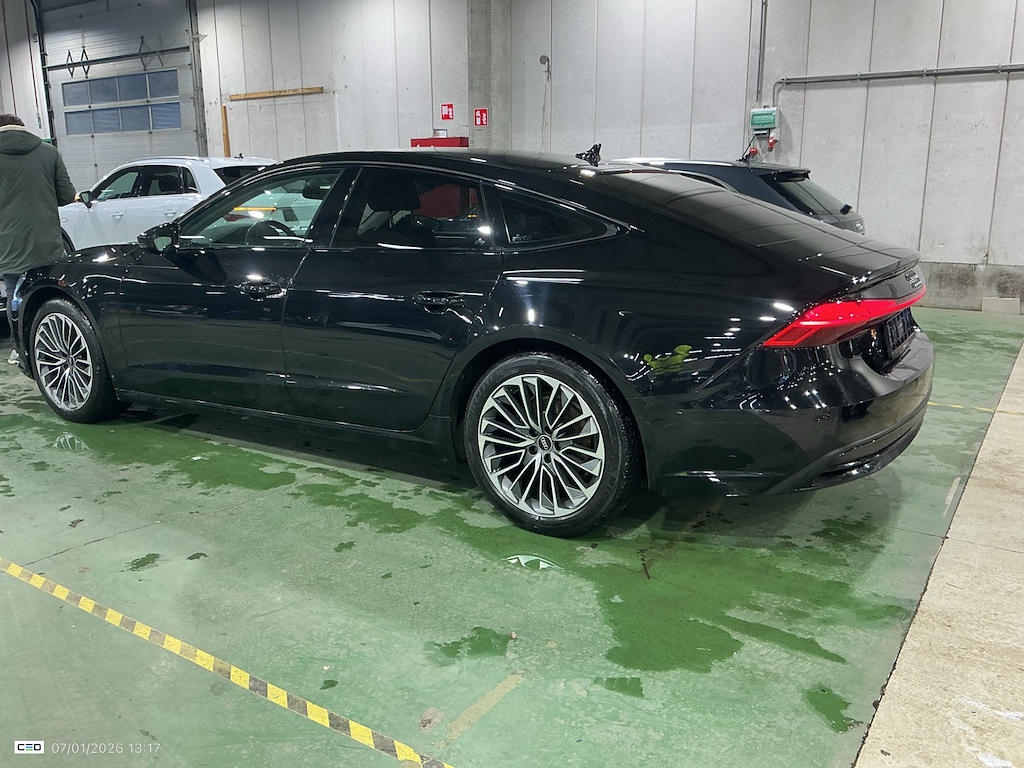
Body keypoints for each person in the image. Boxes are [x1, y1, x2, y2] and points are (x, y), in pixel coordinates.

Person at [0, 113, 76, 364]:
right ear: (23, 128)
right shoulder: (49, 152)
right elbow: (66, 195)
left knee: (14, 294)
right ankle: (54, 345)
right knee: (49, 292)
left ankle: (20, 349)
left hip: (7, 242)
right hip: (46, 241)